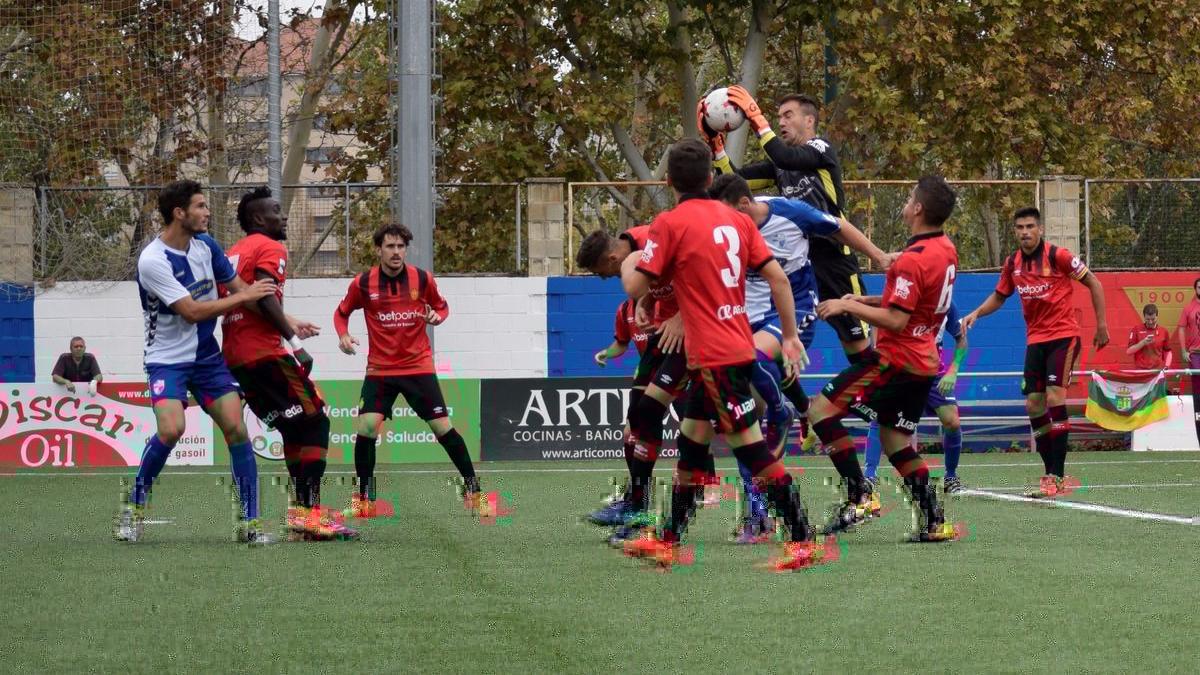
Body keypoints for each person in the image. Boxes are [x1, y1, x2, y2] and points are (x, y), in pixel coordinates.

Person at [620, 138, 835, 571]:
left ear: (668, 181)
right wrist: (790, 335)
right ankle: (668, 539)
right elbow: (776, 278)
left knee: (751, 450)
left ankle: (803, 539)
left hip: (717, 356)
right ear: (711, 178)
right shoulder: (737, 221)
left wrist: (639, 275)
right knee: (691, 442)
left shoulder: (670, 222)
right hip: (727, 347)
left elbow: (638, 286)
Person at [709, 173, 890, 543]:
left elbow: (839, 226)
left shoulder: (790, 213)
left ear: (744, 205)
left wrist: (879, 257)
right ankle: (757, 513)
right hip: (744, 317)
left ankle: (784, 409)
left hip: (793, 313)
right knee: (742, 413)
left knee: (751, 361)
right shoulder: (725, 229)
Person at [114, 180, 278, 545]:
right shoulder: (153, 260)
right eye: (201, 206)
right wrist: (244, 296)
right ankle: (134, 508)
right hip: (166, 360)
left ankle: (250, 523)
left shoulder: (206, 246)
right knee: (171, 430)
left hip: (207, 358)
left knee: (237, 428)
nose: (207, 213)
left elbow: (241, 292)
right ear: (180, 213)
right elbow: (190, 311)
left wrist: (287, 321)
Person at [808, 176, 964, 542]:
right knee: (895, 443)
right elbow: (915, 306)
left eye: (910, 197)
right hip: (924, 364)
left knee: (820, 410)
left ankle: (860, 496)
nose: (906, 202)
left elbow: (897, 320)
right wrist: (867, 300)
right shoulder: (945, 249)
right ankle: (934, 521)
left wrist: (847, 305)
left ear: (918, 209)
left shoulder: (911, 260)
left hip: (895, 361)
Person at [221, 186, 356, 541]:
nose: (283, 217)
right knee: (316, 422)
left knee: (295, 429)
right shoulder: (270, 246)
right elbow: (264, 296)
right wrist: (295, 344)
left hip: (236, 356)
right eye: (276, 211)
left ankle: (302, 513)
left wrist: (289, 320)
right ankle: (309, 513)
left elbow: (245, 301)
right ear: (257, 219)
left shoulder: (234, 252)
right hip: (263, 353)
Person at [703, 88, 871, 361]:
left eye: (788, 115)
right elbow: (734, 182)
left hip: (833, 260)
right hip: (799, 264)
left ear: (809, 121)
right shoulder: (780, 166)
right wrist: (717, 147)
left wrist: (756, 118)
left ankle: (880, 398)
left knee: (858, 348)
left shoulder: (820, 149)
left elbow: (786, 157)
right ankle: (791, 400)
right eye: (777, 117)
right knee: (778, 346)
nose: (780, 122)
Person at [335, 223, 482, 517]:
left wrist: (436, 317)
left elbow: (442, 307)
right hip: (380, 370)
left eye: (401, 246)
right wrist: (343, 335)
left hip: (418, 367)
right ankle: (365, 500)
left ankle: (474, 490)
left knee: (443, 427)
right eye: (390, 246)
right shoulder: (362, 283)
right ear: (379, 250)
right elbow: (341, 313)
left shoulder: (422, 278)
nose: (396, 252)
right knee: (366, 427)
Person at [961, 206, 1109, 498]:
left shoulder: (1059, 256)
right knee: (1033, 405)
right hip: (1036, 340)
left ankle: (1057, 474)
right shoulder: (1012, 263)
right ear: (1014, 231)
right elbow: (1000, 296)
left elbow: (1094, 281)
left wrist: (1102, 325)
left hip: (1064, 337)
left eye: (1030, 226)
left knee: (1055, 396)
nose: (1025, 232)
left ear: (1040, 229)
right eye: (1020, 227)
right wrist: (976, 312)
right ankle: (1049, 472)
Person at [575, 228, 698, 545]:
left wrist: (683, 316)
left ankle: (646, 513)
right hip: (666, 333)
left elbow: (702, 274)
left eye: (603, 272)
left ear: (613, 258)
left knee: (653, 416)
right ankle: (636, 506)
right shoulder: (641, 249)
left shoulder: (655, 242)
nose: (607, 279)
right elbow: (659, 281)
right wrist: (645, 300)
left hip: (691, 333)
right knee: (633, 425)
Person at [863, 300, 968, 493]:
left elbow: (961, 338)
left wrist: (953, 371)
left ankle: (951, 476)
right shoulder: (899, 298)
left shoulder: (946, 304)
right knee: (880, 416)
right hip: (899, 367)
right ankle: (869, 476)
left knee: (952, 421)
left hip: (932, 372)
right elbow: (875, 328)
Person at [1178, 278, 1200, 446]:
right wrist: (1184, 350)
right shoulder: (1188, 308)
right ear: (1195, 289)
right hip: (1196, 354)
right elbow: (1181, 328)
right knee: (1198, 393)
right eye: (1199, 287)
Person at [1126, 304, 1172, 371]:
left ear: (1157, 316)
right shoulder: (1136, 329)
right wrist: (1143, 342)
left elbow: (1168, 351)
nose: (1150, 322)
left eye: (1153, 319)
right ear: (1144, 317)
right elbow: (1129, 352)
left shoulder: (1164, 331)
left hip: (1157, 371)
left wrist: (1167, 365)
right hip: (1140, 371)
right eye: (1147, 319)